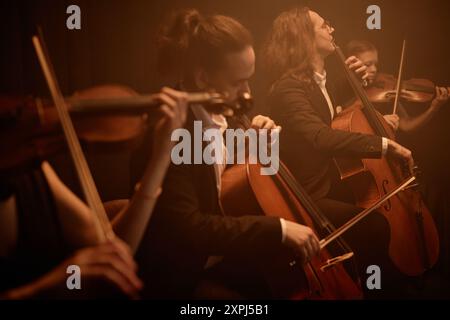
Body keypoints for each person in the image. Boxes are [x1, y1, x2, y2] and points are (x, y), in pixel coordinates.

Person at [134, 9, 321, 299]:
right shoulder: (172, 130)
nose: (247, 92)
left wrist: (261, 147)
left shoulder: (225, 115)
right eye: (238, 83)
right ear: (203, 77)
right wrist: (279, 229)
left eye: (249, 79)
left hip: (221, 256)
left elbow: (232, 185)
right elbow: (190, 229)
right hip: (181, 276)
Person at [263, 6, 417, 298]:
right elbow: (320, 136)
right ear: (305, 38)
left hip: (335, 182)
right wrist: (384, 145)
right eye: (324, 26)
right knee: (374, 227)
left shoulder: (315, 82)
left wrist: (351, 86)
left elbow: (330, 115)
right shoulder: (287, 89)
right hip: (312, 194)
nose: (331, 30)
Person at [0, 88, 187, 299]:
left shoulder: (30, 169)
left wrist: (160, 158)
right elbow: (70, 284)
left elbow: (114, 247)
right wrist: (48, 290)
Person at [346, 40, 449, 132]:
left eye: (375, 64)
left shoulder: (388, 94)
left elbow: (407, 125)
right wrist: (381, 120)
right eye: (368, 64)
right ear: (353, 63)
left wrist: (434, 108)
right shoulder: (343, 88)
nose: (374, 69)